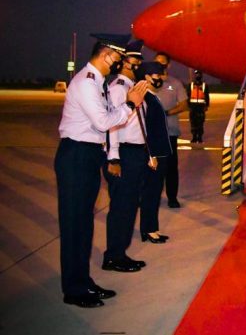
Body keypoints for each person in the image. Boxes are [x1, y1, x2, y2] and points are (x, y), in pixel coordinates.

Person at [54, 33, 147, 308]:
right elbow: (104, 121)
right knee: (73, 226)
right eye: (116, 59)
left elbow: (106, 121)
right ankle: (73, 290)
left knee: (83, 225)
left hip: (88, 156)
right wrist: (130, 104)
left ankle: (83, 282)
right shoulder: (86, 83)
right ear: (106, 54)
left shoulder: (98, 83)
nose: (117, 64)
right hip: (76, 156)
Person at [101, 39, 149, 273]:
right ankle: (114, 256)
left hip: (137, 153)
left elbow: (140, 125)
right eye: (133, 59)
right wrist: (114, 158)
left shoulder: (134, 86)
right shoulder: (119, 87)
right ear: (123, 63)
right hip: (125, 154)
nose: (138, 62)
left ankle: (121, 252)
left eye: (139, 59)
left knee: (130, 206)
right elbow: (113, 125)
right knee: (121, 206)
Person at [136, 62, 172, 243]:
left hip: (160, 153)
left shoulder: (152, 97)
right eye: (157, 75)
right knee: (151, 192)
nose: (160, 78)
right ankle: (149, 230)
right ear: (147, 77)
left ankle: (151, 227)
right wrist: (151, 155)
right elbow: (145, 129)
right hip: (154, 156)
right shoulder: (146, 99)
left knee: (156, 192)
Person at [154, 52, 188, 208]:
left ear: (168, 65)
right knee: (151, 167)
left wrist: (167, 113)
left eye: (162, 63)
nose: (159, 66)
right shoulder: (148, 82)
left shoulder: (175, 83)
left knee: (170, 167)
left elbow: (184, 104)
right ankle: (151, 196)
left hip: (170, 132)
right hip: (151, 134)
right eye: (156, 62)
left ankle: (172, 197)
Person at [187, 70, 210, 143]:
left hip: (201, 107)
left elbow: (207, 96)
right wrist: (188, 106)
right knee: (193, 122)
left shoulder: (204, 85)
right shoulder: (190, 85)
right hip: (193, 107)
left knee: (200, 122)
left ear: (201, 75)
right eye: (196, 74)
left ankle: (199, 137)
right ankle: (194, 137)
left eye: (199, 74)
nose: (198, 76)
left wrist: (206, 106)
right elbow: (188, 96)